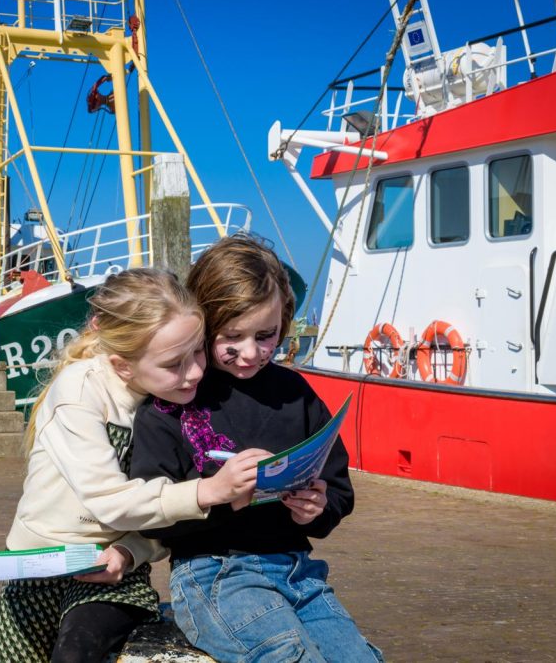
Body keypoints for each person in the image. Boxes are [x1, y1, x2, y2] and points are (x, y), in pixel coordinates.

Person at [0, 268, 268, 663]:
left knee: (78, 653)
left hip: (113, 570)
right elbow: (108, 500)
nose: (195, 372)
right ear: (123, 365)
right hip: (40, 564)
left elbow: (166, 516)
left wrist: (129, 552)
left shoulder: (179, 404)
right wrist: (209, 490)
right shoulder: (81, 390)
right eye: (174, 363)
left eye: (197, 352)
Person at [130, 235, 382, 662]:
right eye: (233, 336)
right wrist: (221, 494)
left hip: (299, 570)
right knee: (288, 657)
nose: (251, 353)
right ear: (204, 324)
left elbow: (338, 486)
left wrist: (319, 507)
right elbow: (152, 516)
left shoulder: (294, 392)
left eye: (266, 336)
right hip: (215, 573)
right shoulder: (175, 398)